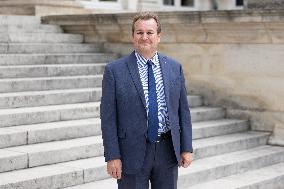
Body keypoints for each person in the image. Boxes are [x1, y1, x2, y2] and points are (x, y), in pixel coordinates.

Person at [100, 12, 193, 189]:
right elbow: (108, 118)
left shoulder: (174, 68)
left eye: (149, 33)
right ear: (132, 36)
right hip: (131, 152)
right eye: (139, 32)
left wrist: (186, 147)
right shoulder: (115, 71)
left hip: (167, 151)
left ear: (158, 36)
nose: (144, 37)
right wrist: (112, 156)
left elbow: (183, 112)